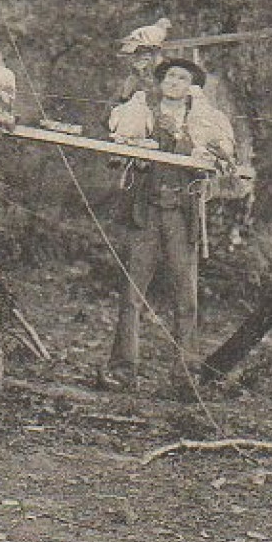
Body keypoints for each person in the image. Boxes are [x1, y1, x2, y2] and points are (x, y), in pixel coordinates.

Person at [99, 56, 236, 392]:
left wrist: (197, 148)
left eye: (182, 77)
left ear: (192, 86)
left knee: (185, 297)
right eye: (170, 76)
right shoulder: (144, 111)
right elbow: (112, 126)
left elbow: (225, 152)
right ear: (161, 83)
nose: (175, 81)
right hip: (145, 211)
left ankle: (185, 375)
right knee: (132, 293)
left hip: (181, 214)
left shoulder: (205, 118)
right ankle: (122, 370)